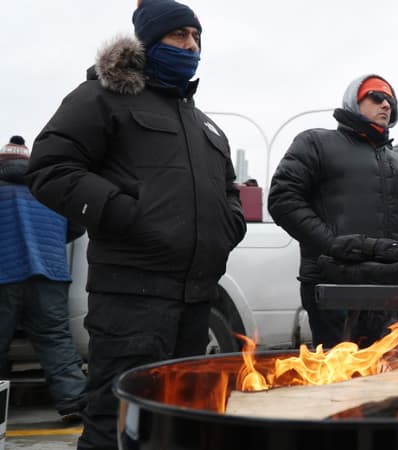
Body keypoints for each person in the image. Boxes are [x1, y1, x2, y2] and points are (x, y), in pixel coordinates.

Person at [24, 1, 246, 448]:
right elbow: (50, 168)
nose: (192, 46)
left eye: (197, 37)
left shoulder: (205, 126)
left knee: (183, 420)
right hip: (130, 300)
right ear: (148, 40)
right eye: (179, 35)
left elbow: (229, 192)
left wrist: (229, 226)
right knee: (118, 421)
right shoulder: (102, 97)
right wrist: (124, 212)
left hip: (197, 299)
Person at [268, 74, 398, 348]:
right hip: (334, 286)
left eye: (390, 100)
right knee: (337, 377)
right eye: (376, 97)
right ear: (354, 101)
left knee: (389, 376)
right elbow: (283, 199)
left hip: (391, 288)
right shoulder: (316, 142)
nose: (385, 105)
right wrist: (331, 244)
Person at [0, 136, 87, 423]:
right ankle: (74, 401)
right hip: (50, 273)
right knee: (55, 339)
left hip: (5, 273)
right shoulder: (48, 192)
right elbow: (76, 226)